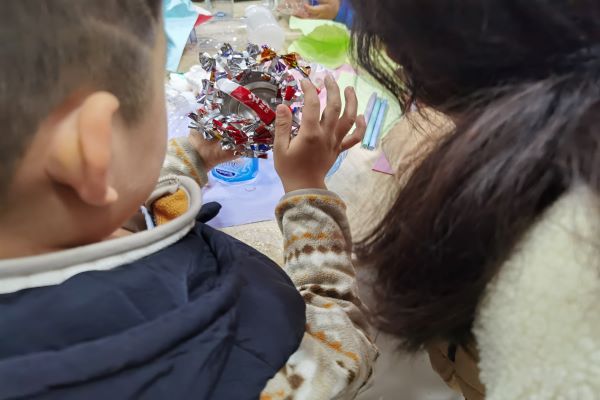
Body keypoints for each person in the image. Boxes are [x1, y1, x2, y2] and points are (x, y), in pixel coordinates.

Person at [0, 1, 377, 399]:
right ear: (95, 145)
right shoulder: (233, 362)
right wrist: (307, 190)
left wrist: (195, 156)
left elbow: (126, 215)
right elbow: (341, 352)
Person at [347, 0, 600, 399]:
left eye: (391, 32)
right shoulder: (532, 110)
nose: (391, 53)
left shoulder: (561, 258)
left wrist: (305, 195)